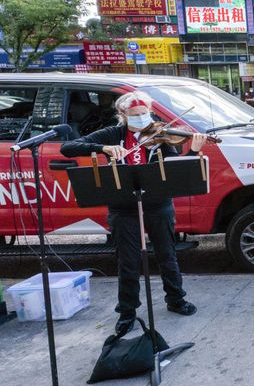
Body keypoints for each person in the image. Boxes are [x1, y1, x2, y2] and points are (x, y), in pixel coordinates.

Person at [60, 91, 206, 335]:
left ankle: (176, 298)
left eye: (144, 113)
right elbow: (68, 147)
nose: (142, 119)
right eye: (135, 115)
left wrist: (192, 151)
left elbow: (174, 172)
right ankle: (127, 311)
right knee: (127, 261)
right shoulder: (113, 134)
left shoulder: (160, 135)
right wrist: (103, 148)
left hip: (157, 203)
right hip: (123, 205)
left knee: (167, 254)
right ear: (123, 115)